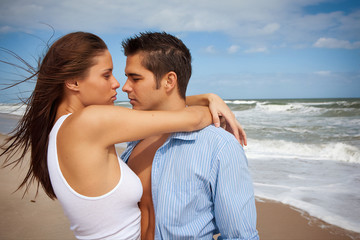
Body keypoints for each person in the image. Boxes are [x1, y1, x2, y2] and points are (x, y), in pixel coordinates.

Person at [0, 32, 245, 240]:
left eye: (132, 77)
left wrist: (201, 98)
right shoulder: (90, 123)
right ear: (73, 82)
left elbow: (158, 112)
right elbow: (189, 118)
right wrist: (211, 101)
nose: (119, 84)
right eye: (106, 75)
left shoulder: (68, 128)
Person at [121, 32, 259, 240]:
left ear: (169, 81)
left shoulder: (219, 146)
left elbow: (240, 236)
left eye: (135, 78)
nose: (125, 87)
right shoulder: (135, 138)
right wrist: (208, 97)